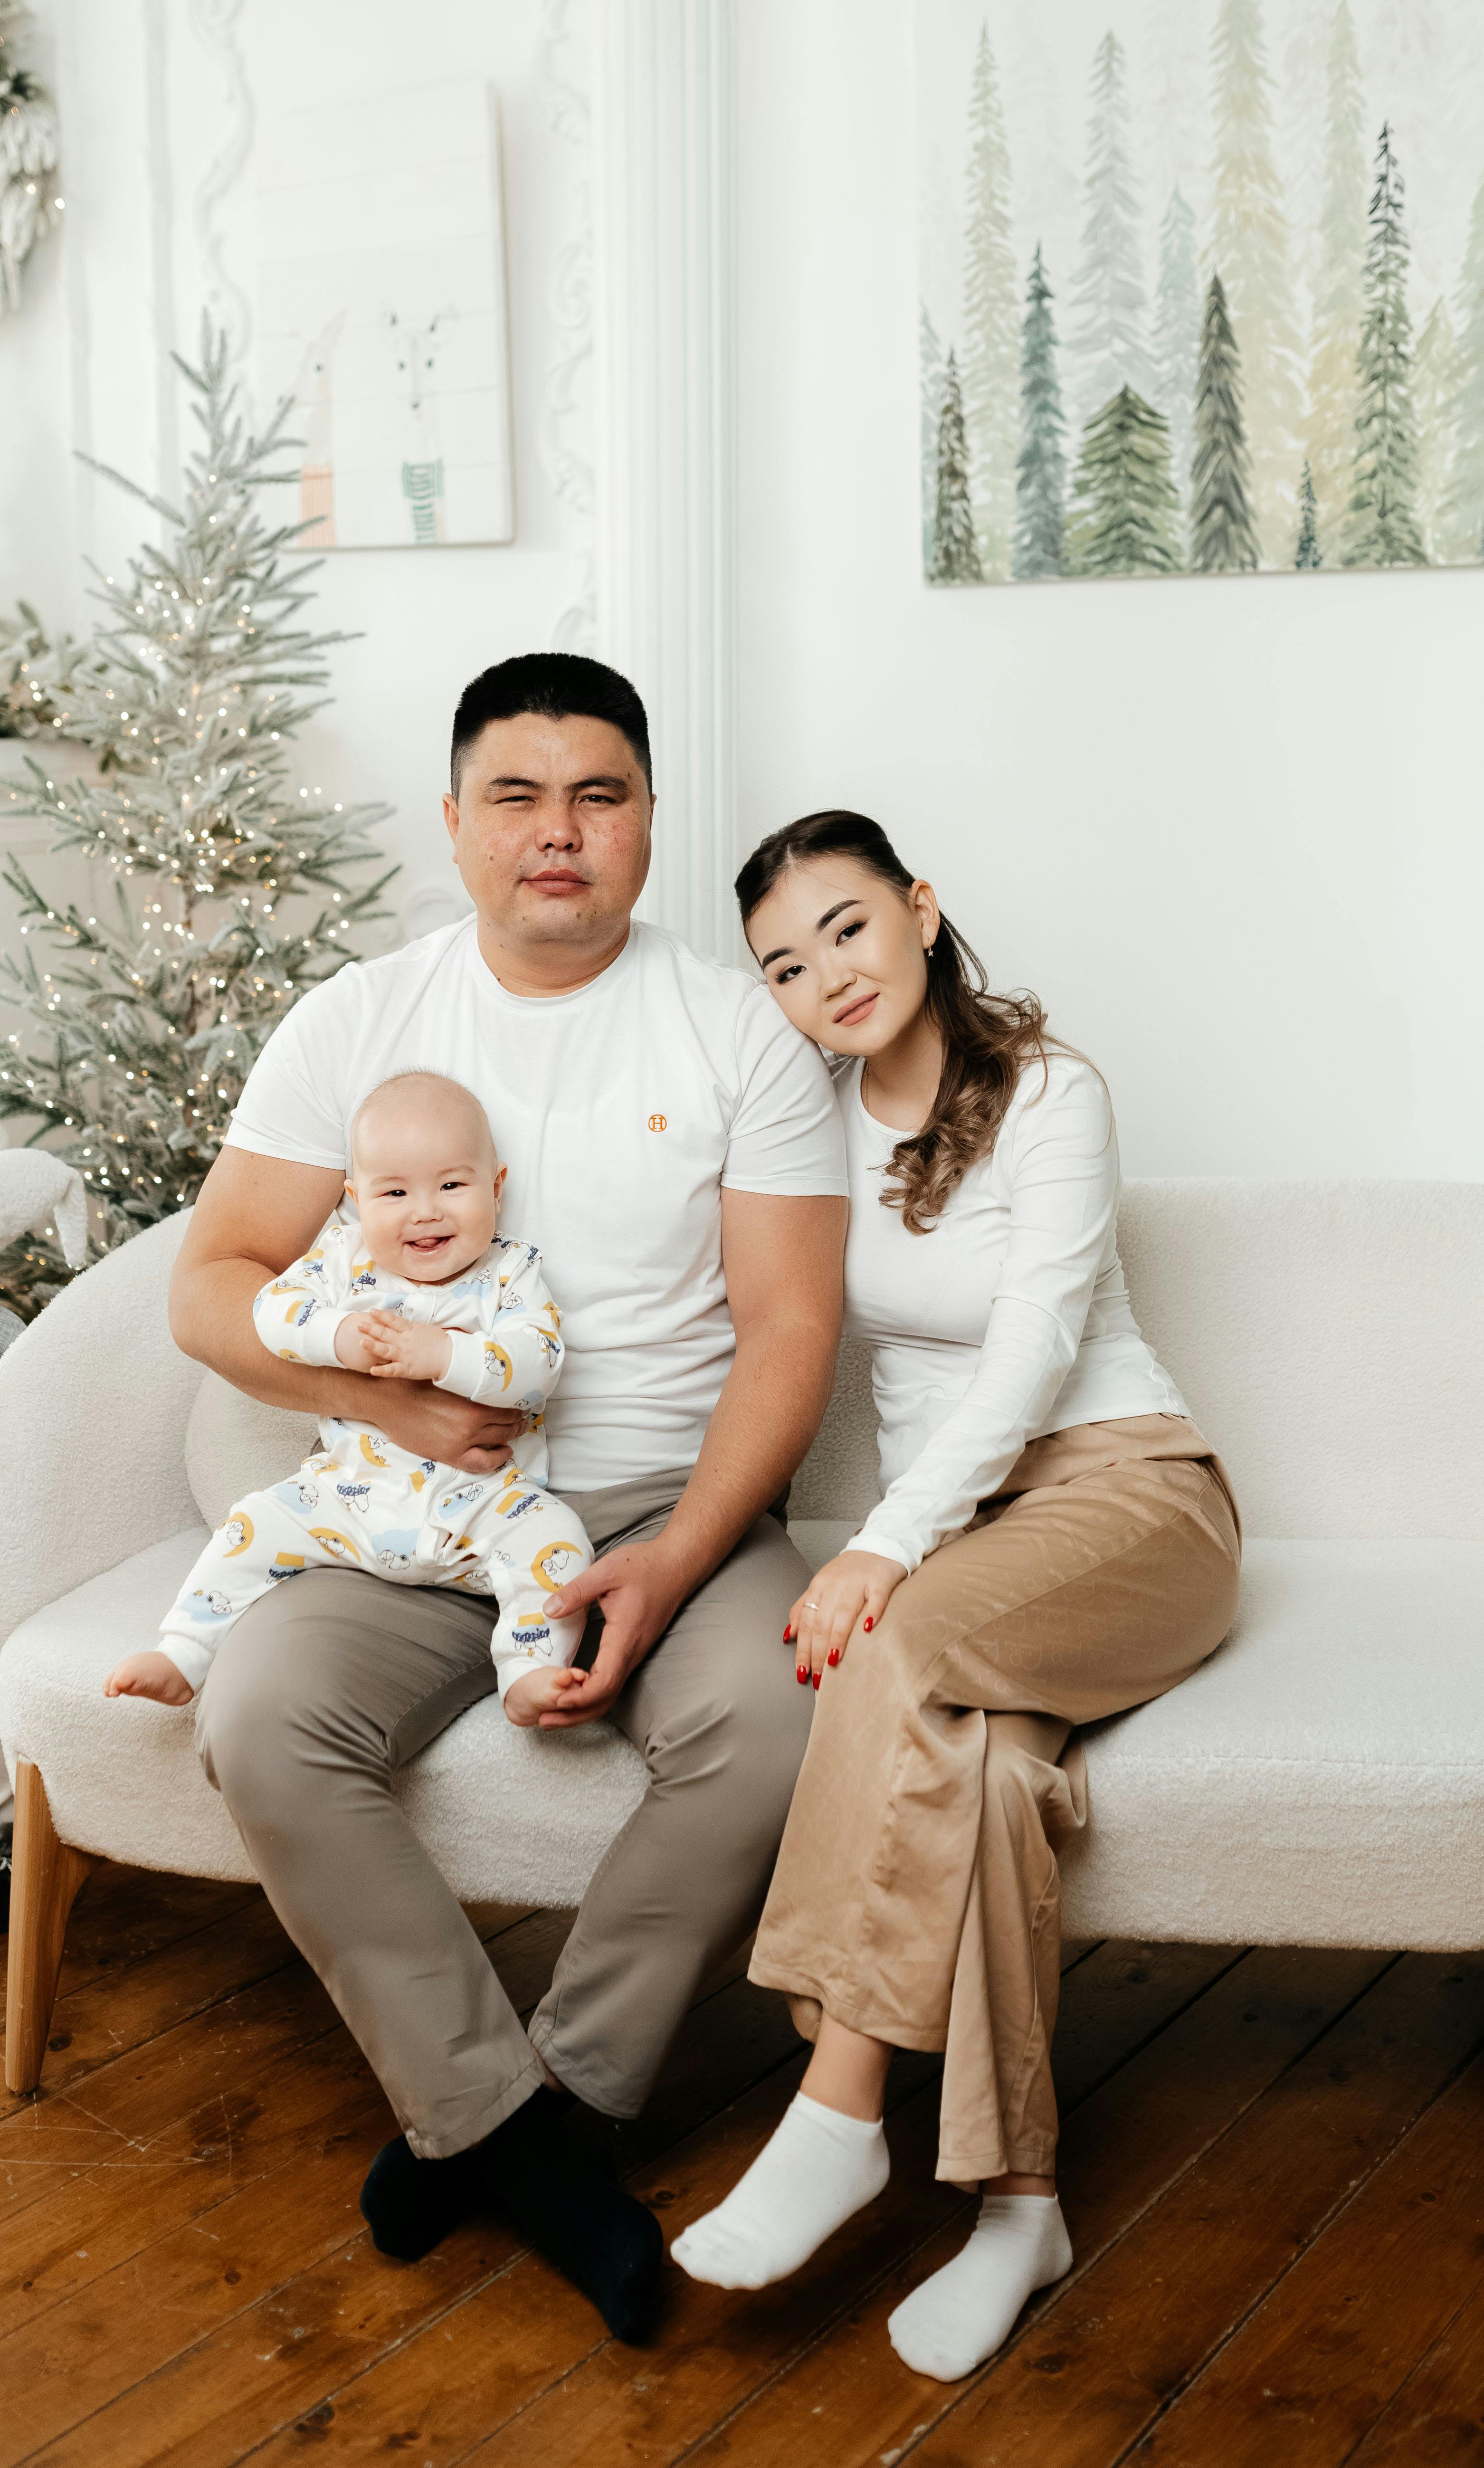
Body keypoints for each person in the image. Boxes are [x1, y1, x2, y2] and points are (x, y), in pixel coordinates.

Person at [167, 655, 848, 2342]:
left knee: (771, 1724)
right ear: (459, 821)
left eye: (599, 795)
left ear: (645, 823)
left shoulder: (736, 1028)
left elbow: (790, 1329)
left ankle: (542, 2100)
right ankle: (518, 2132)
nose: (560, 832)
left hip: (651, 1506)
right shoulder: (357, 1020)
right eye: (520, 797)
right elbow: (209, 1283)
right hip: (400, 1497)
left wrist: (680, 1551)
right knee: (259, 1714)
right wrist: (375, 1393)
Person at [671, 809, 1240, 2382]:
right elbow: (783, 1345)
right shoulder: (811, 1130)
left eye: (845, 928)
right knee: (983, 1772)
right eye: (782, 964)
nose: (822, 977)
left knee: (899, 1639)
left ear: (921, 911)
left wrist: (881, 1550)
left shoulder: (1052, 1090)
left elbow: (1031, 1351)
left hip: (1131, 1492)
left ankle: (835, 2108)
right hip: (979, 1529)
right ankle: (1019, 2207)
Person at [106, 1070, 594, 1725]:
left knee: (558, 1543)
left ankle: (529, 1671)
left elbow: (540, 1362)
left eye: (452, 1185)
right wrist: (340, 1339)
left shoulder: (511, 1272)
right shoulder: (342, 1261)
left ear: (496, 1187)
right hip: (348, 1501)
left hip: (484, 1507)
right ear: (356, 1199)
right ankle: (186, 1650)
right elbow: (272, 1312)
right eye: (394, 1191)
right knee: (251, 1526)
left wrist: (440, 1355)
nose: (425, 1210)